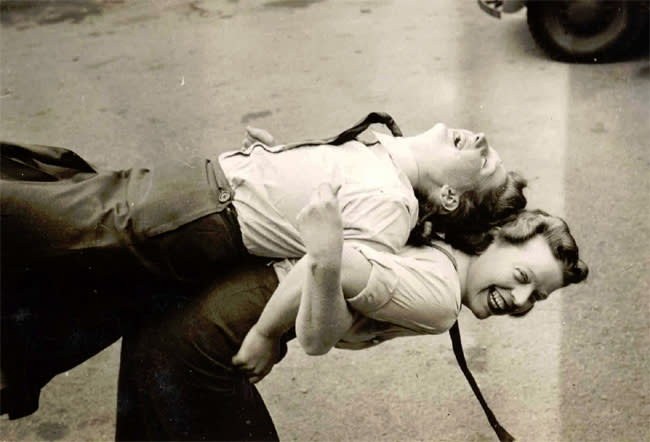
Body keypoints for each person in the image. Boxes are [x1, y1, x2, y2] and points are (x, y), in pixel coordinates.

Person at [0, 113, 526, 418]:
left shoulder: (392, 205)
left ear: (451, 198)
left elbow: (324, 267)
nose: (480, 141)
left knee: (31, 217)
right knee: (44, 190)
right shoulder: (385, 154)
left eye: (485, 161)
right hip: (189, 195)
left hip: (186, 216)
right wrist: (275, 161)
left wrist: (269, 333)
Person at [115, 185, 588, 441]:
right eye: (525, 278)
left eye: (537, 299)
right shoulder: (439, 297)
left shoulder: (429, 243)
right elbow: (333, 262)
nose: (522, 302)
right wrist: (265, 333)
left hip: (174, 319)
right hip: (205, 343)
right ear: (496, 237)